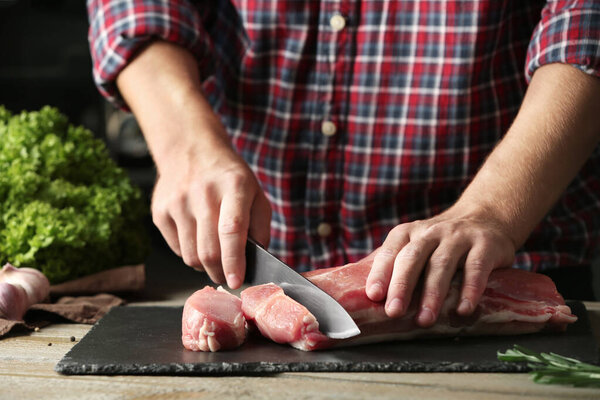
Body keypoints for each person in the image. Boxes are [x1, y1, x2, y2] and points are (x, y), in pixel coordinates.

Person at [87, 1, 600, 327]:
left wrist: (493, 209)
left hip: (500, 270)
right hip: (270, 271)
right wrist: (185, 144)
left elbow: (584, 23)